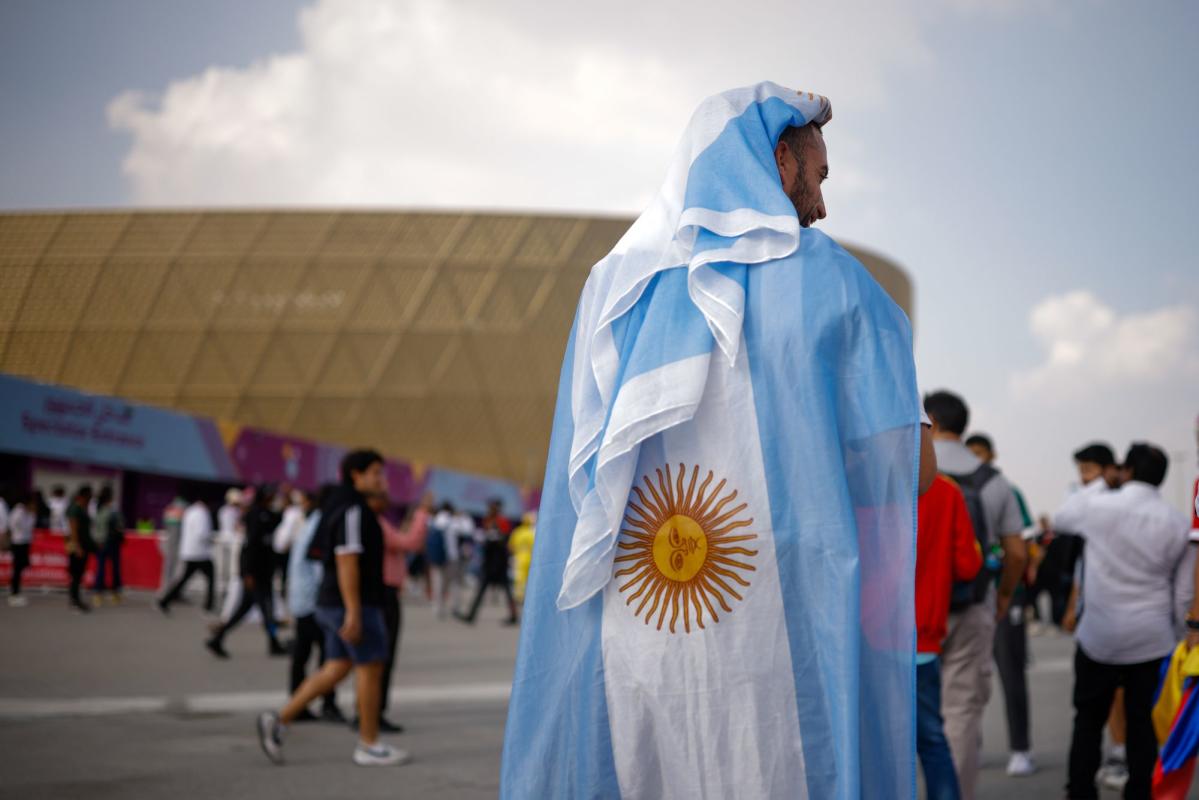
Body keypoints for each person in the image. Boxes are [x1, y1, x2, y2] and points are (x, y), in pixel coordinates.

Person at [502, 84, 934, 798]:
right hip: (779, 633)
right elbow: (911, 474)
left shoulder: (612, 288)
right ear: (778, 160)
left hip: (637, 639)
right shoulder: (839, 284)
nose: (821, 205)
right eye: (818, 177)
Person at [256, 449, 409, 767]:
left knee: (336, 666)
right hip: (353, 604)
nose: (382, 480)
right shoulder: (353, 510)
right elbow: (347, 559)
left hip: (334, 602)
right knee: (371, 667)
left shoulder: (340, 506)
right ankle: (369, 743)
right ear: (357, 474)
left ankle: (278, 720)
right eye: (376, 473)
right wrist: (354, 610)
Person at [1056, 443, 1189, 800]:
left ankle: (1081, 791)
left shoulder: (1099, 507)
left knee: (1087, 722)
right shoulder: (1176, 521)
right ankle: (1140, 792)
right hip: (1152, 636)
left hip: (1099, 635)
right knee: (1143, 727)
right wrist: (1176, 635)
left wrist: (1100, 481)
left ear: (1125, 470)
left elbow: (1061, 518)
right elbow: (1182, 594)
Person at [924, 392, 1027, 800]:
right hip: (970, 607)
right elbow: (1017, 550)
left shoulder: (904, 468)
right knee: (961, 711)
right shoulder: (993, 480)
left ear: (929, 419)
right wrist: (1003, 597)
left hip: (909, 610)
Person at [964, 432, 1037, 777]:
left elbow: (1020, 548)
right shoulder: (954, 489)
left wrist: (1009, 591)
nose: (976, 458)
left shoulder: (1006, 489)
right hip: (971, 598)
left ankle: (1020, 748)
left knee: (1010, 674)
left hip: (1003, 597)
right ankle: (970, 746)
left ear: (991, 455)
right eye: (971, 452)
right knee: (965, 680)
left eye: (980, 453)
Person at [916, 473, 983, 800]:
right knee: (931, 741)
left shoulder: (854, 479)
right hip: (922, 639)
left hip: (865, 642)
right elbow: (968, 565)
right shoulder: (944, 490)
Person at [371, 490, 430, 733]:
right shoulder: (378, 524)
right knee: (382, 657)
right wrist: (422, 515)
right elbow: (410, 543)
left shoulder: (377, 523)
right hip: (384, 594)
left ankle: (371, 711)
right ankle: (374, 712)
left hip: (384, 594)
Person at [206, 485, 287, 658]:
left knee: (251, 609)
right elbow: (250, 547)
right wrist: (247, 573)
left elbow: (278, 519)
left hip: (264, 572)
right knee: (265, 609)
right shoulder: (256, 515)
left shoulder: (266, 514)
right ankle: (272, 643)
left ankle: (219, 638)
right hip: (256, 572)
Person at [286, 487, 344, 724]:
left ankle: (298, 702)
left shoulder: (312, 521)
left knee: (304, 653)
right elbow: (320, 564)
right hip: (313, 600)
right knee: (329, 656)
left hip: (302, 597)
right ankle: (324, 703)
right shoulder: (323, 524)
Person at [456, 499, 517, 626]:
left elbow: (505, 541)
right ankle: (471, 615)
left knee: (506, 591)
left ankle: (514, 615)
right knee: (483, 590)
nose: (490, 510)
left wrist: (494, 539)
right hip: (490, 563)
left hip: (499, 563)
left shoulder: (502, 522)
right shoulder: (488, 521)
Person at [158, 493, 215, 614]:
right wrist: (210, 540)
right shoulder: (202, 513)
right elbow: (202, 533)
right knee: (210, 576)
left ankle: (165, 600)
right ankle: (209, 604)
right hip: (200, 553)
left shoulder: (189, 511)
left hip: (188, 551)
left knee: (184, 578)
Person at [273, 489, 307, 619]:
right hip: (291, 551)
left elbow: (284, 539)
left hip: (289, 552)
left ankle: (286, 613)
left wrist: (281, 547)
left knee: (286, 582)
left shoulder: (292, 513)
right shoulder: (296, 513)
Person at [91, 486, 125, 606]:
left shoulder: (97, 510)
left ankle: (97, 594)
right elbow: (120, 527)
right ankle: (115, 593)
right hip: (112, 543)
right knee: (115, 569)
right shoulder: (113, 512)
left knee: (100, 569)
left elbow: (94, 528)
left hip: (100, 543)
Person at [65, 485, 96, 613]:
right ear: (84, 496)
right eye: (89, 497)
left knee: (78, 573)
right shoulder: (75, 508)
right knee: (76, 573)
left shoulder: (83, 508)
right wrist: (76, 546)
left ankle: (75, 598)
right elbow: (73, 528)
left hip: (83, 545)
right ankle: (75, 600)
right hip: (78, 545)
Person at [425, 501, 457, 618]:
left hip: (435, 556)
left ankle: (436, 606)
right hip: (449, 557)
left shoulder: (434, 520)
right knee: (446, 583)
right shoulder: (451, 521)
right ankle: (444, 605)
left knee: (436, 582)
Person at [7, 490, 35, 607]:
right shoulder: (18, 512)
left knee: (21, 566)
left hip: (25, 542)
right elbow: (14, 525)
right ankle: (14, 594)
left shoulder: (29, 513)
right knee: (17, 568)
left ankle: (16, 591)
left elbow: (30, 526)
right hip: (18, 542)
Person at [509, 511, 536, 603]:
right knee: (529, 578)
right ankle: (528, 596)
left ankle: (519, 597)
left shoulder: (517, 532)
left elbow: (511, 546)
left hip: (519, 558)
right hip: (530, 558)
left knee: (519, 578)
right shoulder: (532, 532)